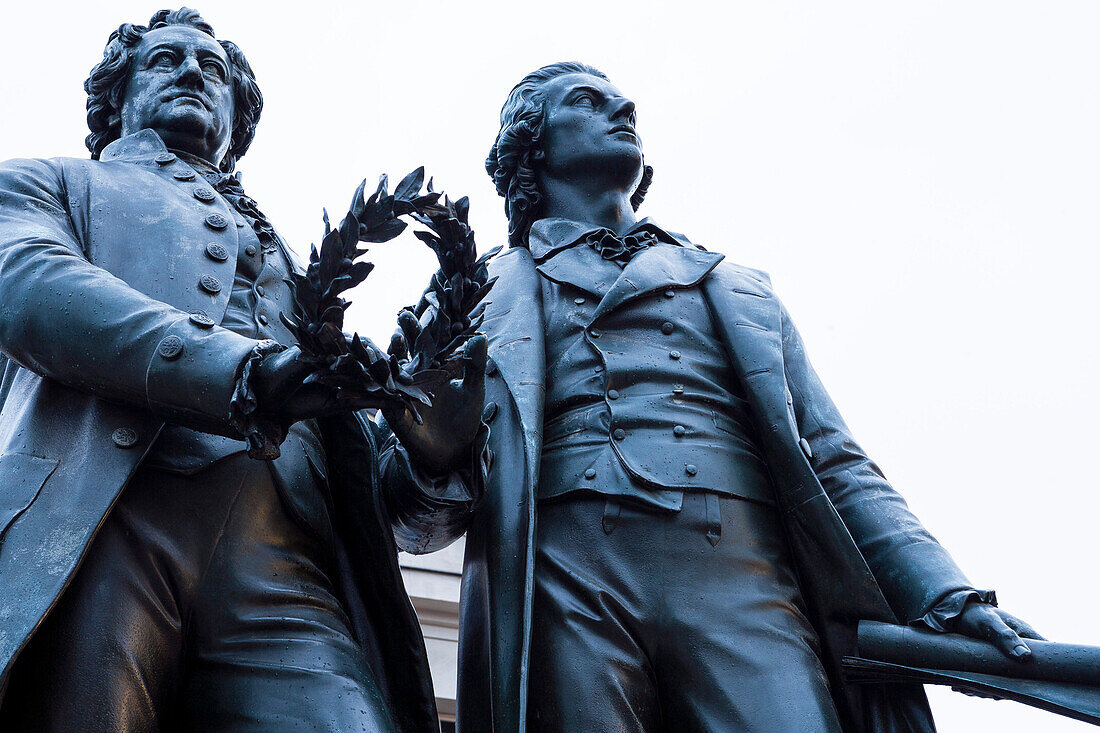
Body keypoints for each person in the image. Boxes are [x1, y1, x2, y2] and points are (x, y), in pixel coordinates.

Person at [395, 61, 1042, 732]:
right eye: (591, 102)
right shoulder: (470, 294)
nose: (623, 108)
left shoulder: (737, 289)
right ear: (533, 146)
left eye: (626, 103)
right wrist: (431, 450)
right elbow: (407, 517)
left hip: (741, 575)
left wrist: (945, 593)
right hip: (562, 580)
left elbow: (836, 459)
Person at [0, 8, 484, 731]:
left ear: (238, 119)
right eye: (166, 60)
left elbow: (373, 484)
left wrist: (427, 454)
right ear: (114, 98)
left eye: (214, 69)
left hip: (289, 564)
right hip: (106, 522)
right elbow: (30, 283)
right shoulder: (48, 184)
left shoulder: (293, 261)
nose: (194, 72)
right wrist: (239, 371)